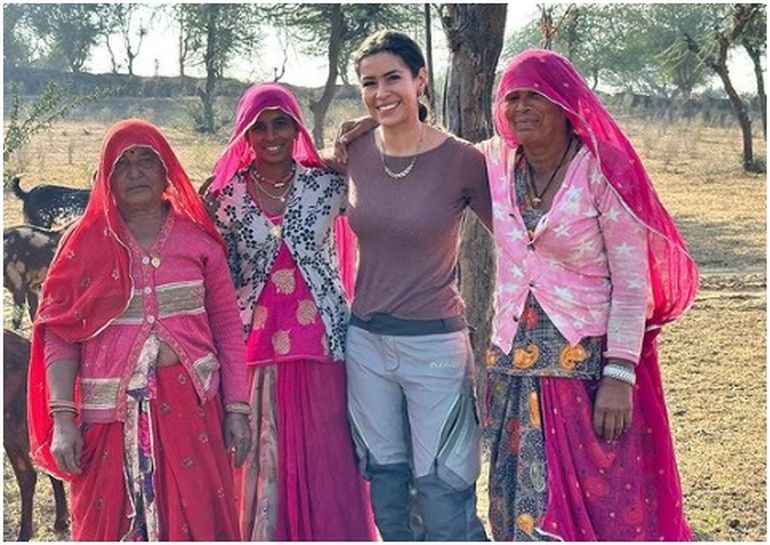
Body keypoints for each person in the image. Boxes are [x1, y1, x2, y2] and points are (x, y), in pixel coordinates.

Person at [478, 49, 698, 541]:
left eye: (535, 95)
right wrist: (368, 134)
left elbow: (630, 281)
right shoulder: (493, 163)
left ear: (564, 101)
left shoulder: (600, 170)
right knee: (516, 502)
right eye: (512, 97)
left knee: (600, 502)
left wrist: (620, 375)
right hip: (512, 365)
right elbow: (429, 152)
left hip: (585, 371)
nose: (522, 108)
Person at [27, 119, 251, 541]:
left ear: (167, 169)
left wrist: (237, 410)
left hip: (193, 409)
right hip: (108, 416)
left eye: (146, 159)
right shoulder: (83, 244)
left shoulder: (199, 241)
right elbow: (59, 332)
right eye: (122, 163)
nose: (135, 171)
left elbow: (226, 327)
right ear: (105, 177)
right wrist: (63, 420)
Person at [340, 30, 492, 541]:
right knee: (384, 478)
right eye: (368, 83)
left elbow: (521, 240)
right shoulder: (354, 148)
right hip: (365, 343)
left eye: (393, 79)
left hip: (435, 346)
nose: (381, 93)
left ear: (420, 79)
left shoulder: (463, 160)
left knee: (443, 484)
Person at [207, 82, 376, 541]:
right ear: (244, 134)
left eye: (281, 123)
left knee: (328, 455)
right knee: (262, 461)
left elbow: (392, 179)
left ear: (297, 125)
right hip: (254, 352)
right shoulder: (223, 199)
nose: (271, 135)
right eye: (257, 127)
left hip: (324, 345)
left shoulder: (328, 183)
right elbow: (211, 275)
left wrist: (374, 127)